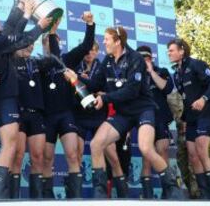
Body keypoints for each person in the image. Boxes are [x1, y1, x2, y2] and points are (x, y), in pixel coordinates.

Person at [64, 26, 183, 199]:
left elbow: (132, 91)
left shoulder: (136, 59)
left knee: (146, 148)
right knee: (97, 143)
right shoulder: (108, 61)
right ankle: (100, 192)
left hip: (143, 109)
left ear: (118, 41)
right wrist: (76, 78)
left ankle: (172, 187)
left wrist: (105, 99)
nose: (104, 42)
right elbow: (95, 84)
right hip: (123, 114)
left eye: (106, 39)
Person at [0, 1, 51, 198]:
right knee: (10, 144)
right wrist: (39, 25)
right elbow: (20, 39)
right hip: (3, 97)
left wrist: (22, 9)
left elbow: (11, 34)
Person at [41, 12, 95, 199]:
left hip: (66, 115)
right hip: (47, 117)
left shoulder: (68, 60)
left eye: (55, 40)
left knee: (73, 155)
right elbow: (52, 56)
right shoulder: (39, 64)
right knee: (46, 159)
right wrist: (50, 33)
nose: (53, 43)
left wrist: (90, 24)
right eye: (49, 40)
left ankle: (76, 199)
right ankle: (46, 200)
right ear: (44, 44)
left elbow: (87, 46)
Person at [167, 38, 210, 200]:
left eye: (171, 50)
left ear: (182, 51)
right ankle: (204, 195)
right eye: (168, 51)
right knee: (192, 155)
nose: (169, 53)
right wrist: (183, 119)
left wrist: (203, 99)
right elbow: (184, 99)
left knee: (201, 151)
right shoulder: (177, 73)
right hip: (191, 118)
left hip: (206, 114)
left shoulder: (197, 64)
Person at [73, 42, 128, 198]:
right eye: (87, 51)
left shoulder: (104, 68)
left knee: (113, 157)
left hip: (99, 115)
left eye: (92, 51)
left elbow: (111, 90)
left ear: (97, 52)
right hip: (80, 115)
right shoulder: (76, 67)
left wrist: (95, 87)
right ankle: (79, 196)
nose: (89, 53)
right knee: (76, 155)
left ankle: (123, 195)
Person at [11, 43, 57, 199]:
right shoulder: (10, 61)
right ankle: (12, 200)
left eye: (32, 44)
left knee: (37, 157)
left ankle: (36, 201)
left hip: (37, 114)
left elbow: (54, 59)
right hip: (18, 114)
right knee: (17, 156)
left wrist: (50, 38)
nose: (30, 47)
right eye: (26, 43)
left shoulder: (36, 62)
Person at [137, 45, 174, 199]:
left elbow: (166, 88)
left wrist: (151, 71)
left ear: (151, 58)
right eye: (141, 58)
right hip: (144, 119)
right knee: (147, 156)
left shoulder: (162, 71)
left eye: (146, 58)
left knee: (163, 151)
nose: (144, 61)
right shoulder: (134, 74)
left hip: (160, 118)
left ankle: (169, 192)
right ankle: (147, 195)